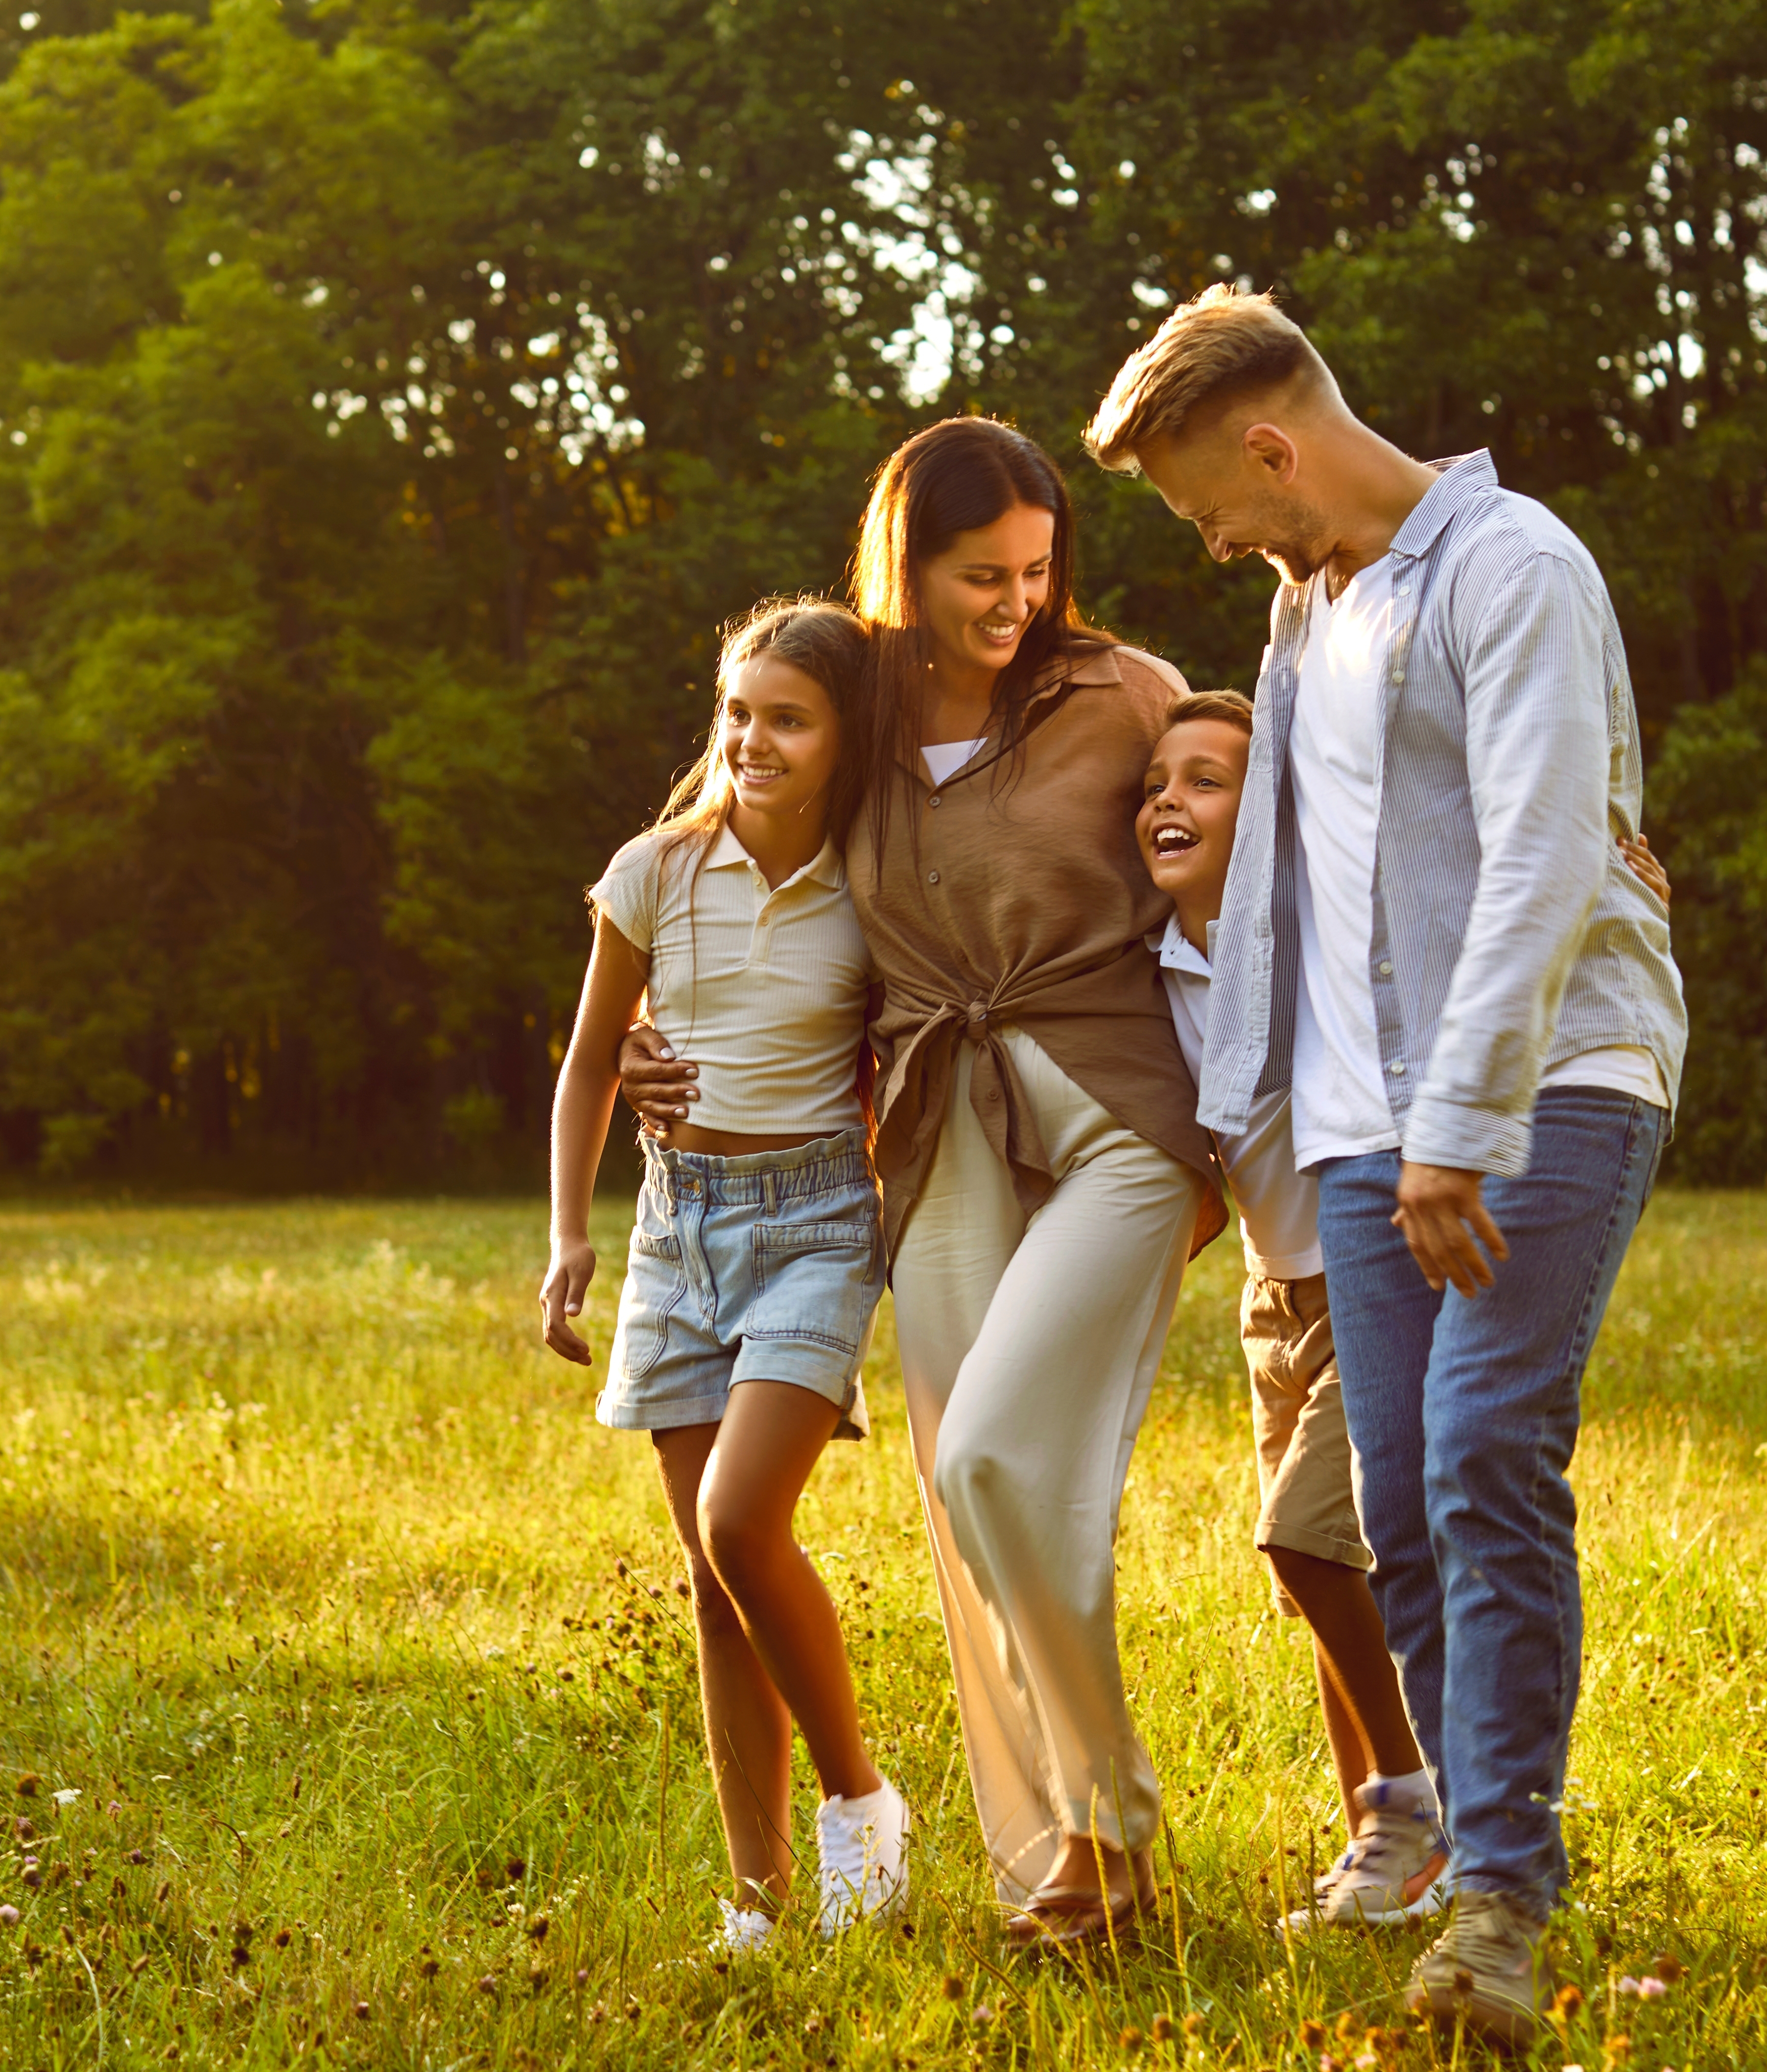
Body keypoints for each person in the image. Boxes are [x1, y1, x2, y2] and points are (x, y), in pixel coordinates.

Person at [1086, 287, 1688, 2046]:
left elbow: (1542, 857)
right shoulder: (1302, 617)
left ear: (1272, 444)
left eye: (1207, 504)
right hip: (1358, 1126)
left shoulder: (1513, 570)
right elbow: (1277, 882)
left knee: (1487, 1448)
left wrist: (1458, 1123)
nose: (1212, 542)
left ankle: (1501, 1898)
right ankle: (1463, 1858)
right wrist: (1251, 1106)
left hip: (1544, 1084)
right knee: (1397, 1506)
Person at [625, 418, 1225, 1949]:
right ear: (909, 561)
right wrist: (651, 1036)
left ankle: (1114, 1828)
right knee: (975, 1517)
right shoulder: (855, 708)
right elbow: (720, 846)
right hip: (935, 1125)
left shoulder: (1117, 692)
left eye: (1036, 570)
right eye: (979, 575)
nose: (1013, 601)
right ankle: (1066, 1876)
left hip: (1113, 1112)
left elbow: (1251, 843)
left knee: (1003, 1464)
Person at [1136, 690, 1671, 1940]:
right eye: (1156, 782)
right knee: (1341, 1570)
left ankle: (1423, 1818)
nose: (1172, 799)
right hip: (1275, 1295)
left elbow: (1467, 882)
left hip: (1375, 1259)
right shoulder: (1148, 965)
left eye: (1209, 780)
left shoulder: (1320, 921)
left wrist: (1616, 887)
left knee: (1312, 1538)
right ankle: (1385, 1840)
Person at [539, 600, 912, 1954]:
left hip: (816, 1219)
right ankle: (753, 1896)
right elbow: (589, 1058)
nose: (753, 739)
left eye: (788, 718)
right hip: (675, 1230)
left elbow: (924, 1049)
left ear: (842, 736)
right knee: (710, 1577)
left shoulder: (878, 879)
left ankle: (860, 1808)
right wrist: (570, 1236)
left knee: (742, 1525)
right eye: (738, 712)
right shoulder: (653, 870)